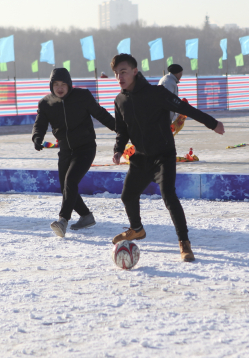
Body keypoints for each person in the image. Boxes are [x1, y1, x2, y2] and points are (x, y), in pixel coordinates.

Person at [110, 54, 225, 262]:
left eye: (124, 71)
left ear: (135, 71)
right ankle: (136, 229)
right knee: (127, 196)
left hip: (163, 155)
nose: (120, 77)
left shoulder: (157, 93)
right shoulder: (120, 101)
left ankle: (184, 243)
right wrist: (118, 149)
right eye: (116, 73)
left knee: (168, 195)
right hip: (140, 158)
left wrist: (212, 123)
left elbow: (184, 108)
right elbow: (122, 131)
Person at [32, 68, 116, 237]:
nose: (60, 88)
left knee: (70, 180)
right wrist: (37, 137)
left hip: (85, 148)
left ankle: (63, 220)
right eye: (56, 84)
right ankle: (86, 216)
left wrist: (121, 130)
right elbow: (40, 124)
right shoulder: (46, 103)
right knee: (66, 186)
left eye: (63, 84)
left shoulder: (82, 96)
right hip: (65, 150)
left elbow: (100, 114)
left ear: (69, 85)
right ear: (51, 86)